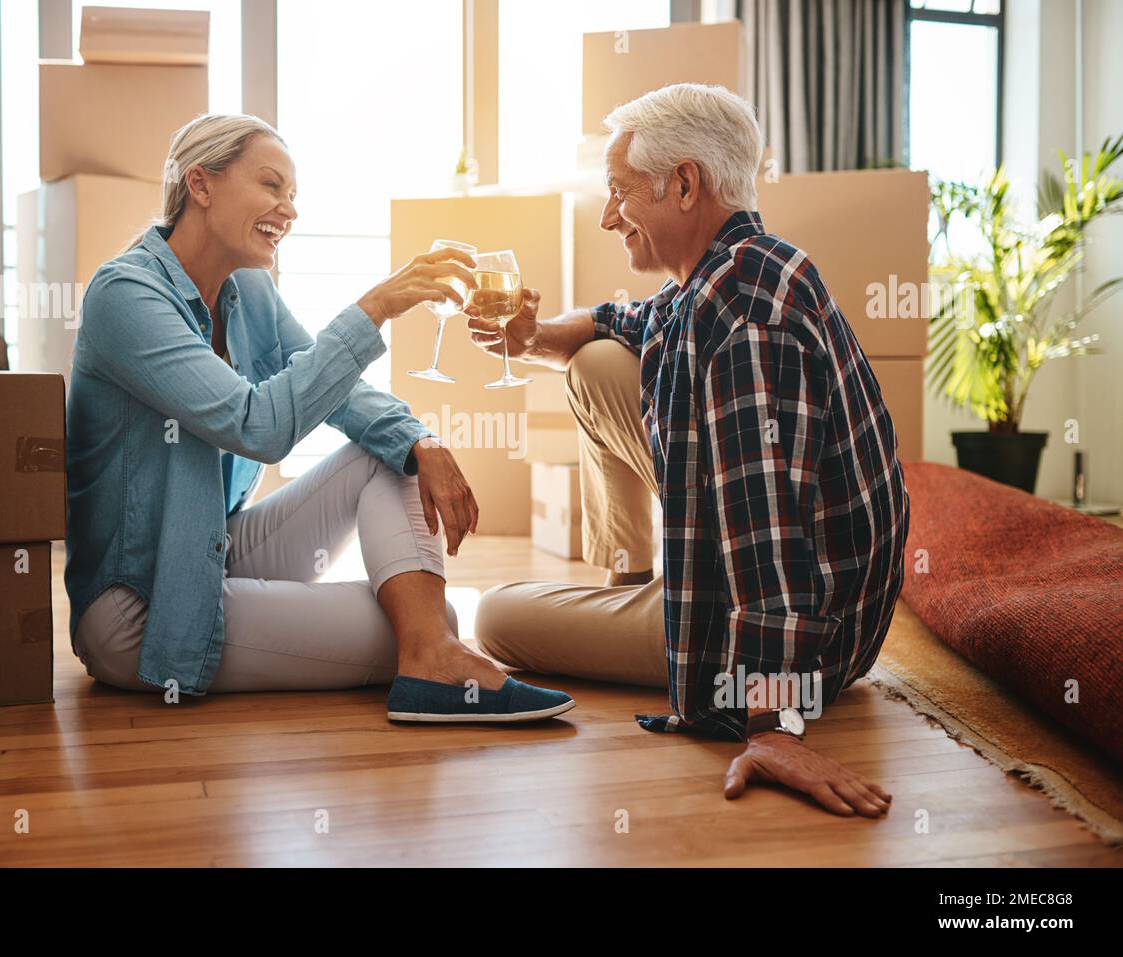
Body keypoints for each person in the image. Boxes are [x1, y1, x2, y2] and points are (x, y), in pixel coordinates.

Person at [469, 84, 908, 815]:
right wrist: (531, 340)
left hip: (796, 644)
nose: (609, 216)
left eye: (618, 193)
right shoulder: (733, 267)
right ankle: (631, 581)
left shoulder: (742, 323)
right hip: (820, 601)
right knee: (596, 359)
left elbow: (770, 534)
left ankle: (657, 620)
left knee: (494, 617)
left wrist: (773, 728)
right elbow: (618, 318)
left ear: (683, 184)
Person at [65, 113, 573, 723]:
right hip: (143, 606)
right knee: (426, 623)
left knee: (391, 465)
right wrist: (377, 306)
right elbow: (258, 427)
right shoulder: (125, 295)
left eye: (293, 195)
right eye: (272, 186)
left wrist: (420, 438)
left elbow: (332, 388)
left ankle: (430, 659)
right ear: (200, 185)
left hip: (214, 549)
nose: (289, 210)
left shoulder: (247, 289)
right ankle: (431, 661)